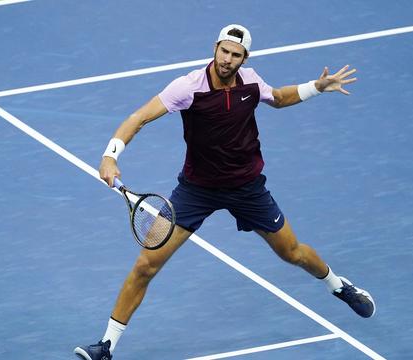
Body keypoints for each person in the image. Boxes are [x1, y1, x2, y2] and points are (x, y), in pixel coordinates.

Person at [74, 24, 375, 360]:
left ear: (244, 58)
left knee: (292, 252)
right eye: (224, 51)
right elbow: (139, 117)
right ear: (215, 48)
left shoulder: (251, 81)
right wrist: (109, 155)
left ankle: (338, 286)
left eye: (236, 55)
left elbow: (277, 98)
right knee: (146, 265)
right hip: (195, 191)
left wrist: (316, 87)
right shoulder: (188, 87)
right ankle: (106, 345)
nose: (228, 59)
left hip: (247, 188)